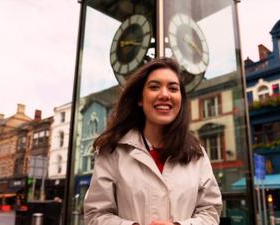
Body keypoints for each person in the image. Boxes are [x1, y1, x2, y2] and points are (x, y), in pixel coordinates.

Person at [84, 57, 222, 225]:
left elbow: (210, 211)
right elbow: (95, 215)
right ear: (140, 99)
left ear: (180, 99)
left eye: (173, 88)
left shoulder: (197, 154)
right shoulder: (113, 151)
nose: (165, 95)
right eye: (154, 87)